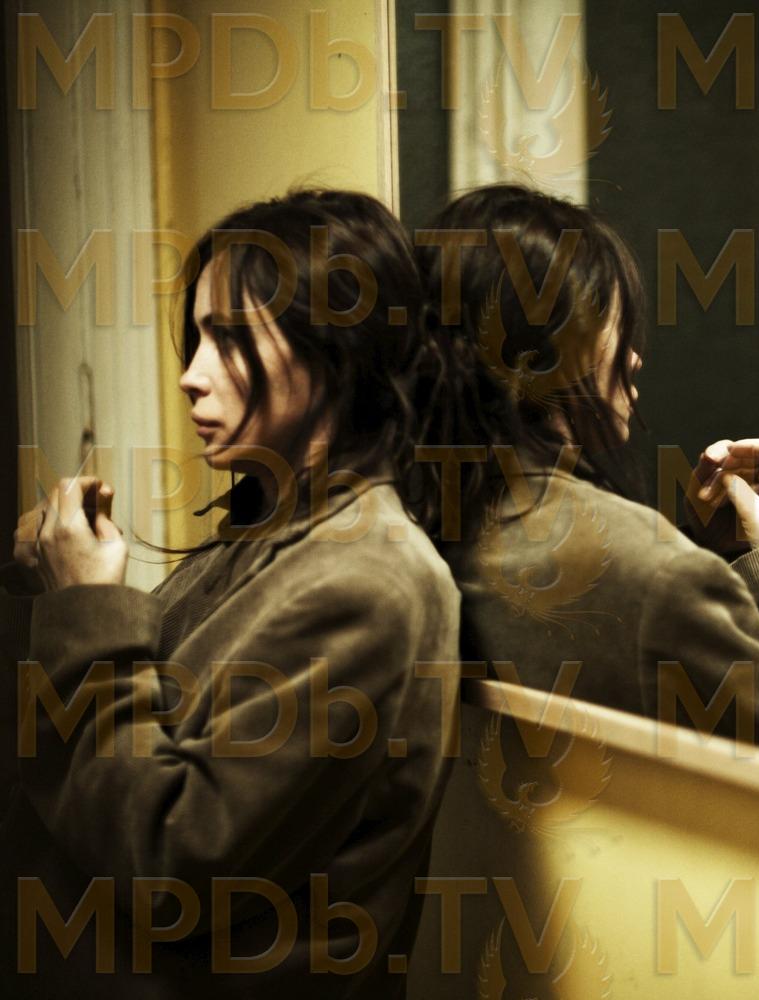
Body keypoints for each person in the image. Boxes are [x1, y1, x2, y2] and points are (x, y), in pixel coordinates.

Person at [3, 190, 461, 995]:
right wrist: (49, 583)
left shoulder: (370, 583)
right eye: (198, 339)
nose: (190, 377)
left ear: (335, 348)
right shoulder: (270, 536)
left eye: (230, 339)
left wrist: (83, 606)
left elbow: (171, 862)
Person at [420, 184, 759, 773]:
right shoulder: (653, 574)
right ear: (540, 353)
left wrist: (718, 559)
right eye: (610, 321)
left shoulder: (432, 514)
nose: (634, 358)